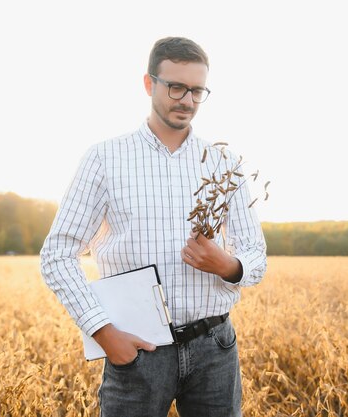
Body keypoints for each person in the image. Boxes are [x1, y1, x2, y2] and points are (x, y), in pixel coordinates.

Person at [40, 36, 267, 417]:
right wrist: (105, 334)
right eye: (176, 87)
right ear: (149, 84)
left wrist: (226, 264)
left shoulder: (224, 163)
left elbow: (255, 253)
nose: (188, 100)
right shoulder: (105, 158)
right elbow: (57, 255)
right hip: (138, 351)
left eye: (197, 90)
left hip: (215, 347)